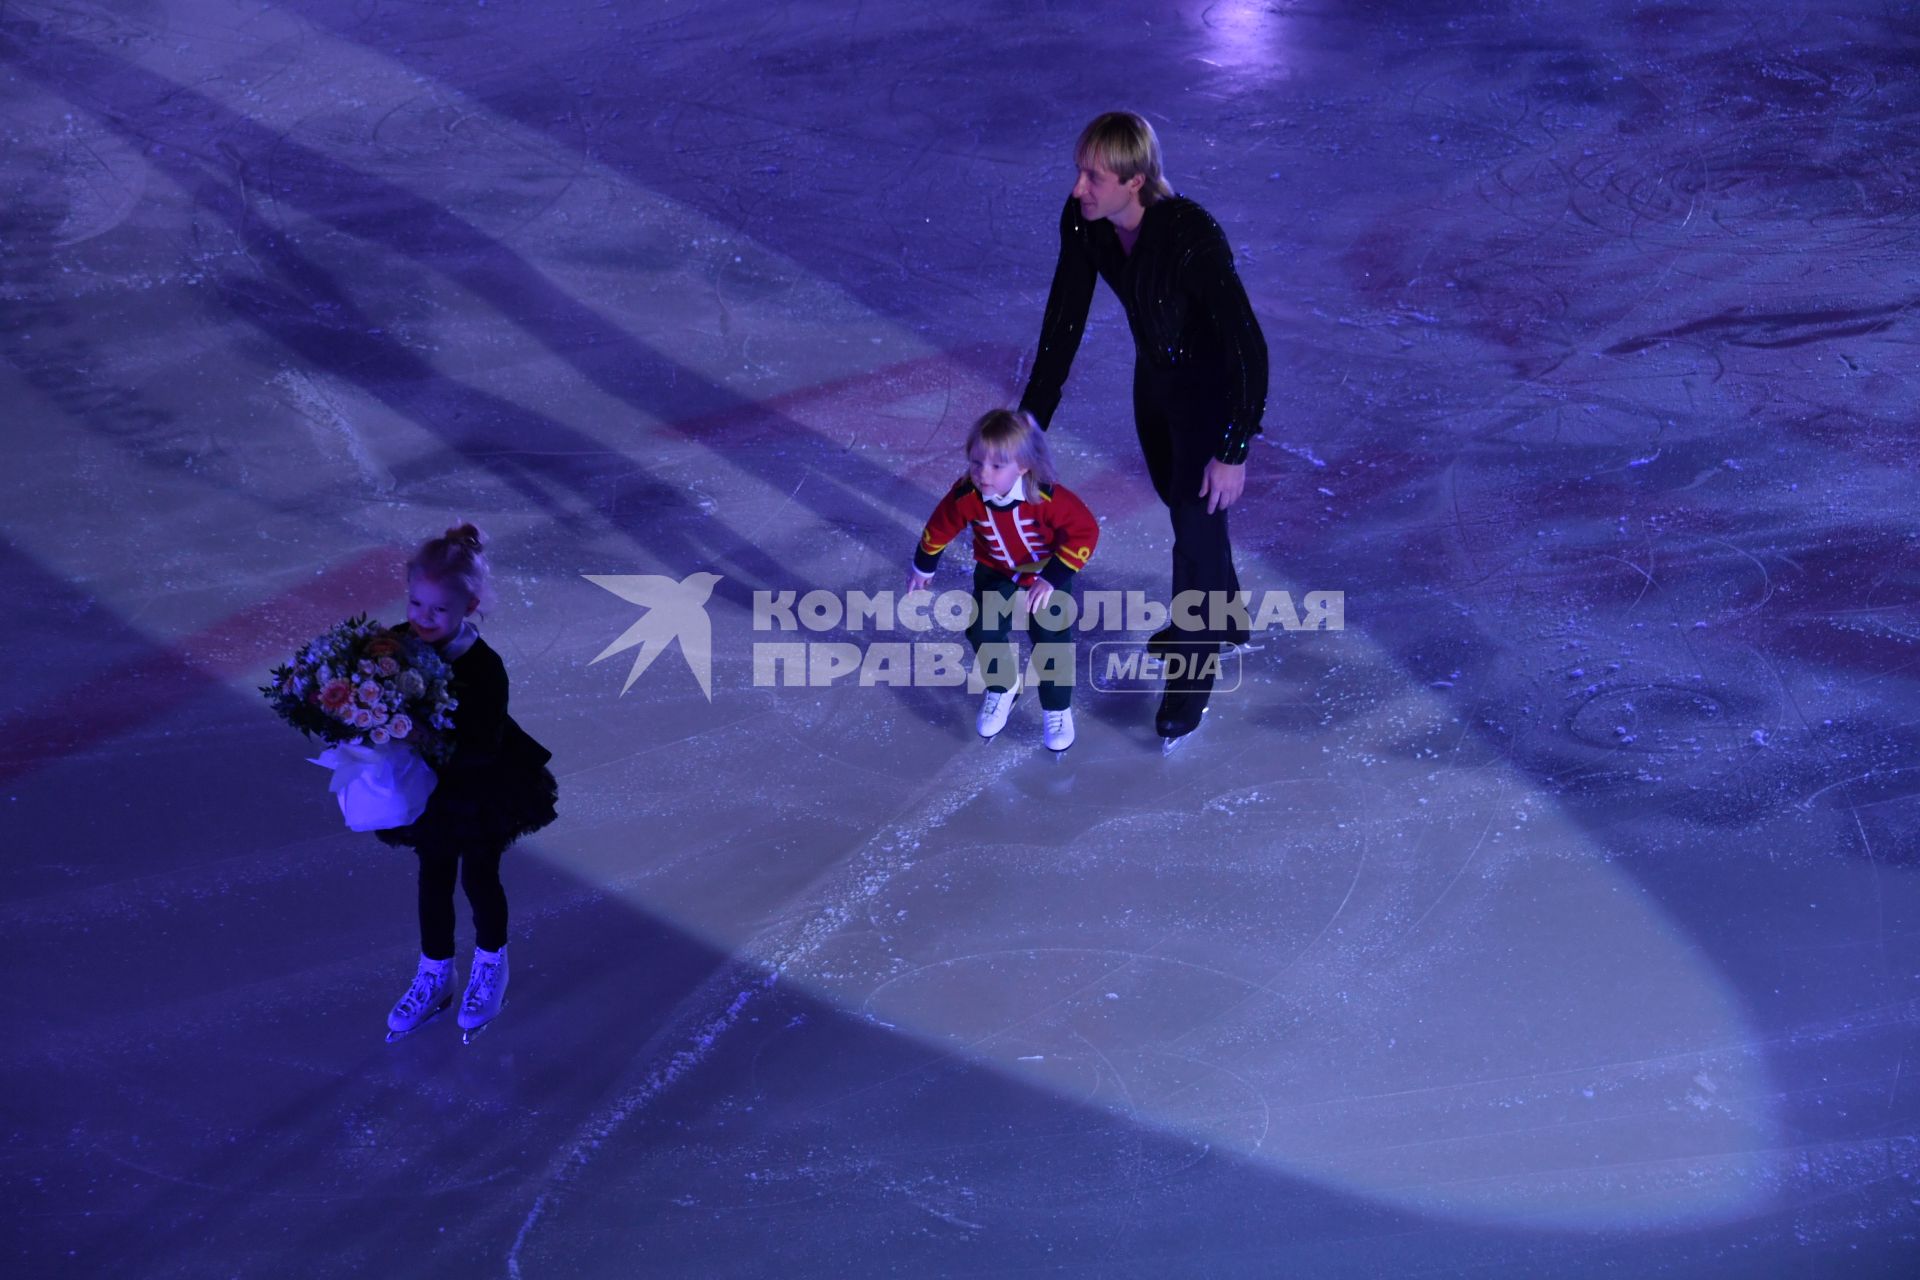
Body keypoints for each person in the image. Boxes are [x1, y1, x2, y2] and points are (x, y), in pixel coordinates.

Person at [1019, 110, 1268, 742]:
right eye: (1080, 172)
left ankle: (1191, 677)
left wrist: (1234, 446)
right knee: (1191, 516)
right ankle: (1226, 615)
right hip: (1155, 388)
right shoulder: (1086, 222)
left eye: (1094, 176)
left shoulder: (1189, 235)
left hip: (1210, 398)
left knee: (1194, 528)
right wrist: (1030, 427)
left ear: (1135, 180)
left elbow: (1247, 346)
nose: (1079, 187)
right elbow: (1063, 322)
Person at [377, 523, 557, 1041]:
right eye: (416, 604)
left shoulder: (484, 668)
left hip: (482, 784)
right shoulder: (394, 644)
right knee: (433, 877)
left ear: (468, 608)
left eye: (438, 610)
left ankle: (491, 964)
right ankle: (435, 973)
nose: (423, 619)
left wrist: (419, 735)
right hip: (429, 787)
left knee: (479, 877)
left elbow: (481, 748)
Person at [907, 408, 1099, 751]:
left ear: (1023, 466)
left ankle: (1057, 708)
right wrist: (924, 565)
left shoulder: (1047, 497)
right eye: (976, 462)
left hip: (1045, 574)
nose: (983, 473)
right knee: (983, 629)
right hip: (995, 569)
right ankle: (1003, 686)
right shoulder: (966, 495)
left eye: (996, 466)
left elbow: (1084, 532)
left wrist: (1053, 577)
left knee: (1051, 640)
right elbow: (940, 525)